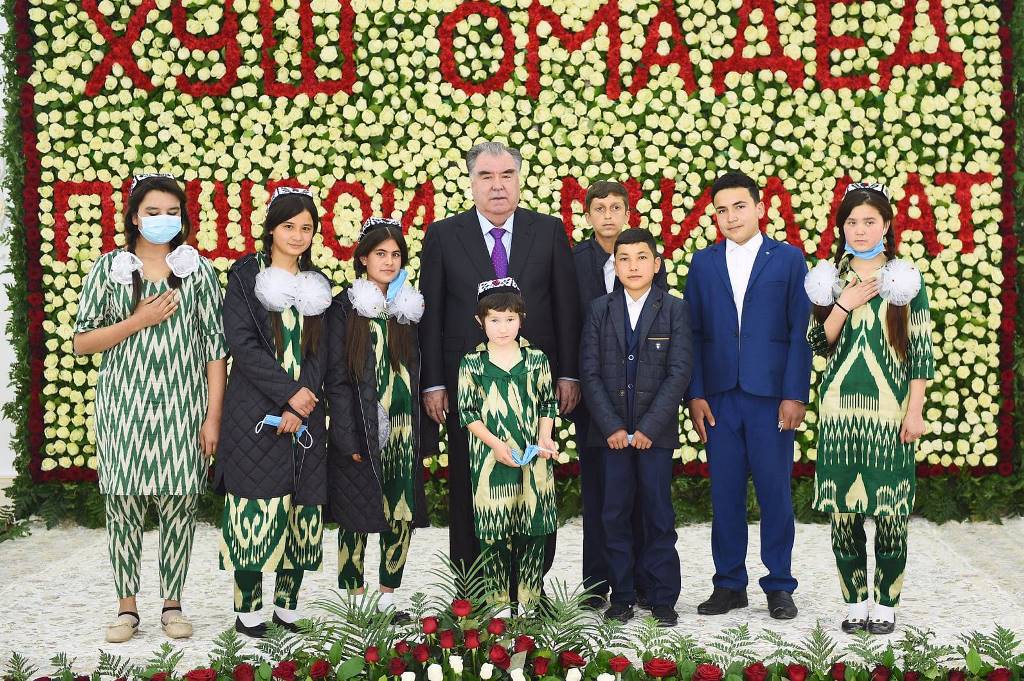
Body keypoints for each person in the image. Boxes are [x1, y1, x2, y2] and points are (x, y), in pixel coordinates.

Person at [72, 173, 227, 643]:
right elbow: (82, 341)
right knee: (122, 504)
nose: (163, 219)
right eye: (153, 211)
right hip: (124, 406)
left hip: (184, 406)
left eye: (172, 212)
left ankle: (172, 604)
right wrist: (138, 320)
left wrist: (213, 417)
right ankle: (127, 608)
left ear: (183, 217)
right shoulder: (110, 268)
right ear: (135, 217)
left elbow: (215, 350)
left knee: (180, 504)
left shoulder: (198, 271)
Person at [419, 141, 581, 580]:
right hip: (468, 390)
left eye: (506, 175)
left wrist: (568, 374)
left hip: (531, 389)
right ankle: (472, 588)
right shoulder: (443, 235)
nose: (497, 186)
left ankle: (529, 587)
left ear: (519, 179)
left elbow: (566, 308)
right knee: (471, 484)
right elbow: (431, 314)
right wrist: (434, 383)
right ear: (471, 182)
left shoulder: (547, 231)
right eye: (486, 176)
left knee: (533, 481)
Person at [804, 182, 933, 635]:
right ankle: (855, 600)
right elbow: (817, 342)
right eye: (852, 222)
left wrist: (914, 410)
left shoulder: (906, 280)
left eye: (869, 221)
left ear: (886, 224)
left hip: (889, 414)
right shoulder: (829, 277)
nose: (860, 230)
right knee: (844, 513)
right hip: (839, 414)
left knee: (891, 512)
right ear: (841, 227)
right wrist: (844, 303)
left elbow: (921, 353)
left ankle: (887, 602)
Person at [684, 171, 811, 620]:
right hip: (719, 397)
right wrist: (695, 393)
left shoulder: (788, 259)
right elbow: (693, 333)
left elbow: (800, 331)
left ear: (759, 208)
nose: (731, 216)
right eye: (722, 210)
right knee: (725, 494)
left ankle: (779, 584)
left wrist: (795, 393)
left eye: (739, 206)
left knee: (775, 492)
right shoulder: (703, 263)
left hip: (770, 396)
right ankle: (729, 583)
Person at [215, 186, 331, 638]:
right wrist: (288, 395)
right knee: (255, 507)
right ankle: (248, 611)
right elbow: (242, 344)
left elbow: (321, 351)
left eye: (306, 227)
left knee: (300, 510)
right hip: (253, 411)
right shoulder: (246, 276)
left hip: (306, 413)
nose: (298, 235)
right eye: (289, 226)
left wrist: (303, 401)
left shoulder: (316, 281)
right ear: (270, 229)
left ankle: (288, 606)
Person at [579, 228, 692, 627]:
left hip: (654, 436)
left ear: (656, 264)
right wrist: (610, 425)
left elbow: (679, 372)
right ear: (615, 266)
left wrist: (649, 426)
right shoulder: (599, 309)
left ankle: (662, 597)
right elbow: (589, 371)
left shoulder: (674, 309)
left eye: (642, 257)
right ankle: (622, 595)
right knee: (614, 514)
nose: (633, 266)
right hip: (609, 436)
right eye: (623, 259)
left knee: (658, 514)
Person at [324, 217, 430, 624]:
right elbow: (336, 379)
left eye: (396, 255)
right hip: (363, 428)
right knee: (356, 512)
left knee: (401, 513)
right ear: (363, 258)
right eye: (380, 253)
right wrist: (347, 437)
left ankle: (387, 596)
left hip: (405, 428)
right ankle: (355, 597)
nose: (388, 261)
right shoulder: (345, 308)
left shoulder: (409, 310)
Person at [571, 180, 667, 610]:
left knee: (643, 496)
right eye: (599, 208)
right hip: (595, 394)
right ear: (588, 215)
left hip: (643, 400)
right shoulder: (574, 261)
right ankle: (598, 583)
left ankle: (643, 582)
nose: (608, 215)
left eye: (615, 208)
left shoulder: (645, 259)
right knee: (600, 494)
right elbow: (567, 319)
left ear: (628, 213)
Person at [457, 278, 559, 611]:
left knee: (534, 528)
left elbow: (547, 403)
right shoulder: (472, 363)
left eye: (510, 319)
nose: (503, 327)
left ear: (521, 319)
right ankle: (498, 606)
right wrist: (495, 445)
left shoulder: (536, 359)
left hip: (534, 457)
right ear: (480, 321)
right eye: (495, 320)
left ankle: (530, 603)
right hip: (489, 459)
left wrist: (545, 437)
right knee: (494, 532)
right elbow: (468, 412)